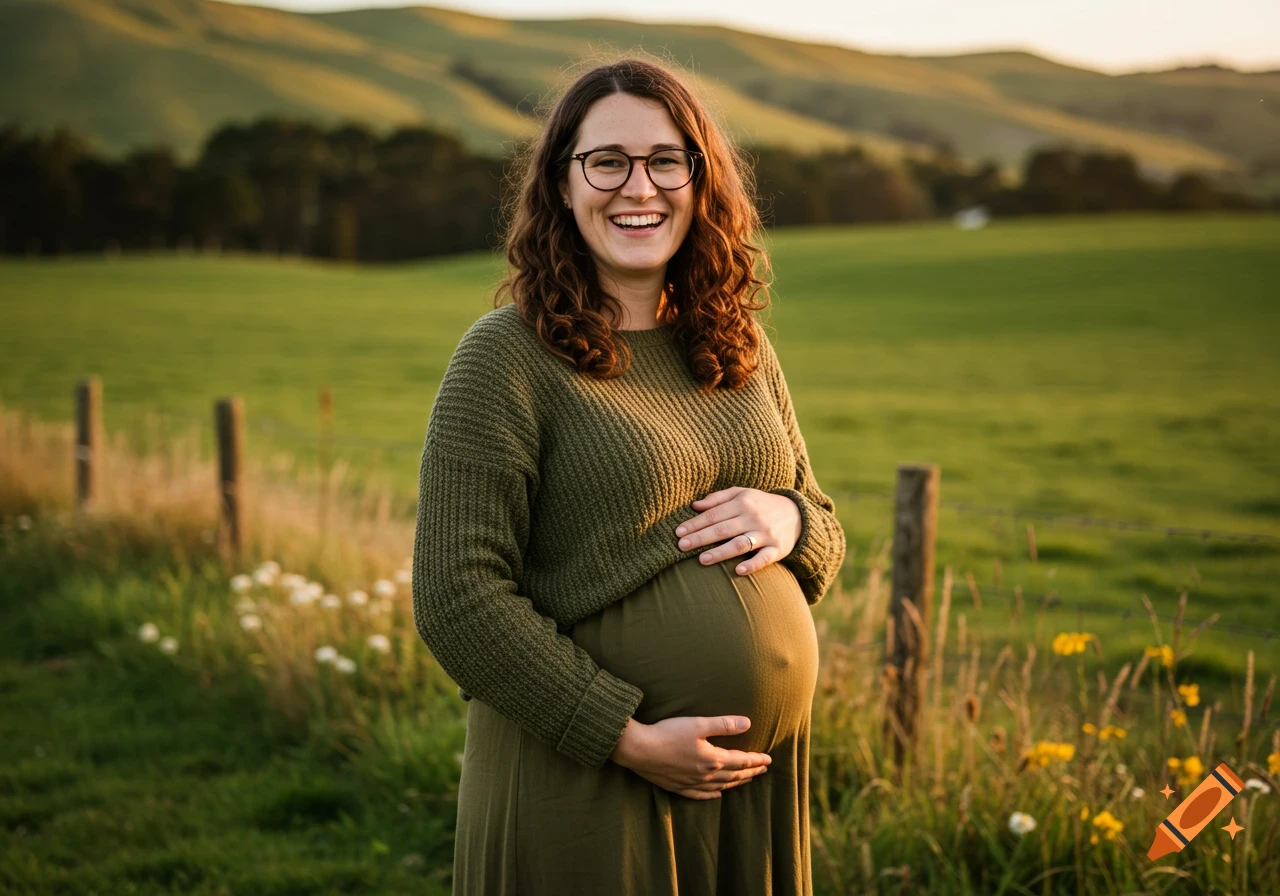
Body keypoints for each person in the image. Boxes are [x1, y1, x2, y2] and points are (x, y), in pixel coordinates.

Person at [411, 54, 846, 896]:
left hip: (750, 793)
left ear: (700, 179)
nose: (637, 187)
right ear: (563, 186)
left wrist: (790, 519)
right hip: (588, 780)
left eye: (664, 160)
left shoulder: (738, 345)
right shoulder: (505, 356)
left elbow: (822, 527)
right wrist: (625, 736)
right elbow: (457, 597)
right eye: (606, 161)